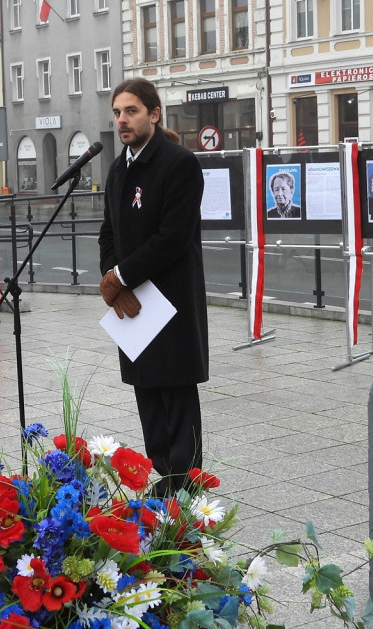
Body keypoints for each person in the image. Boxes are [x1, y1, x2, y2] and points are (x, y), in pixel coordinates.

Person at [97, 78, 208, 494]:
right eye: (117, 113)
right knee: (146, 392)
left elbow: (172, 238)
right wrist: (113, 277)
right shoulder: (117, 167)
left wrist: (121, 276)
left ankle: (188, 485)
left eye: (131, 111)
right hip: (133, 304)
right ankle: (162, 480)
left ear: (154, 114)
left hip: (170, 303)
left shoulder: (179, 164)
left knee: (175, 394)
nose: (122, 120)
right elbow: (108, 232)